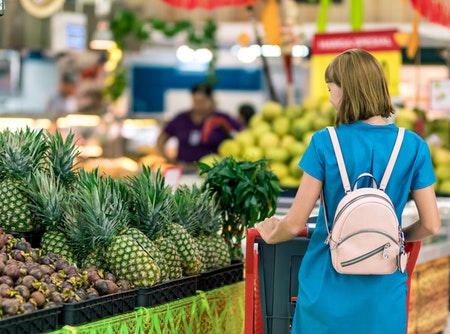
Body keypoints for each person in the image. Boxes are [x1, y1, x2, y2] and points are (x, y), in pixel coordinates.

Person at [256, 49, 441, 334]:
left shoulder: (324, 142)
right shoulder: (413, 145)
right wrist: (393, 239)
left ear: (346, 91)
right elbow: (430, 224)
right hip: (384, 290)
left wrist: (271, 233)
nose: (330, 98)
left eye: (331, 89)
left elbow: (293, 223)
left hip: (326, 287)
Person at [156, 82, 244, 164]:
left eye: (202, 101)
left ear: (211, 100)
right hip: (184, 168)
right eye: (196, 101)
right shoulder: (181, 118)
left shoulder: (222, 119)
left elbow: (242, 135)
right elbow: (161, 139)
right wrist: (168, 159)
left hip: (214, 170)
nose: (199, 105)